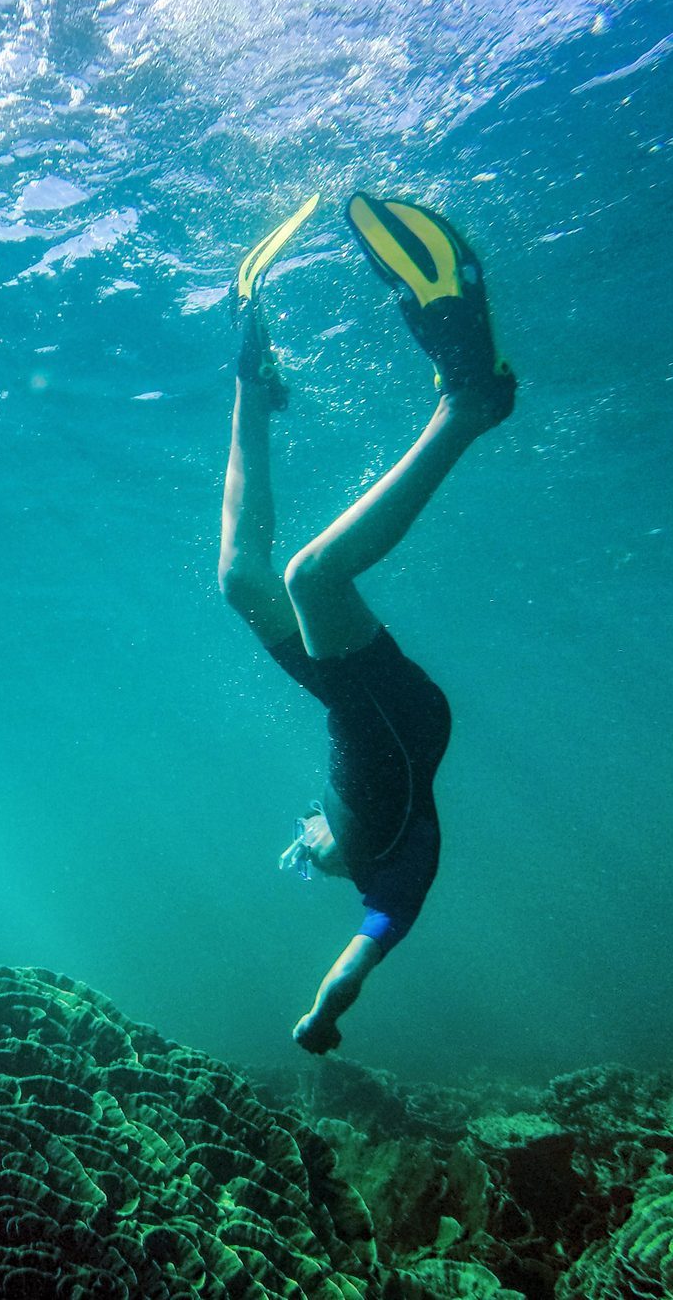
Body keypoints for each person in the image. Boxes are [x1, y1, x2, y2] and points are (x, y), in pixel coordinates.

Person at [216, 193, 518, 1054]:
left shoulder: (348, 844)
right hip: (394, 716)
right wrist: (320, 1016)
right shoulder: (392, 884)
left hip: (350, 704)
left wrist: (311, 844)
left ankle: (251, 383)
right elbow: (352, 967)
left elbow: (321, 829)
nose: (308, 837)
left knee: (242, 579)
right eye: (313, 848)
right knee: (314, 575)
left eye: (309, 843)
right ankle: (470, 404)